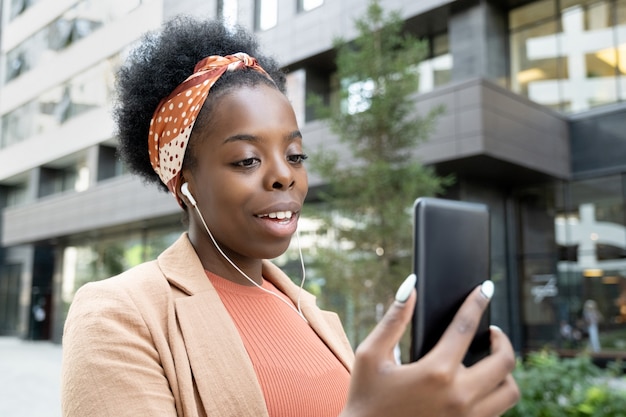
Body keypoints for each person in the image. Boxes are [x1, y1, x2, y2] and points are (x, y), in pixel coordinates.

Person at [60, 16, 519, 417]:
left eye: (295, 155)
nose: (285, 176)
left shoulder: (315, 314)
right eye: (246, 160)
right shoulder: (117, 314)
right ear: (184, 185)